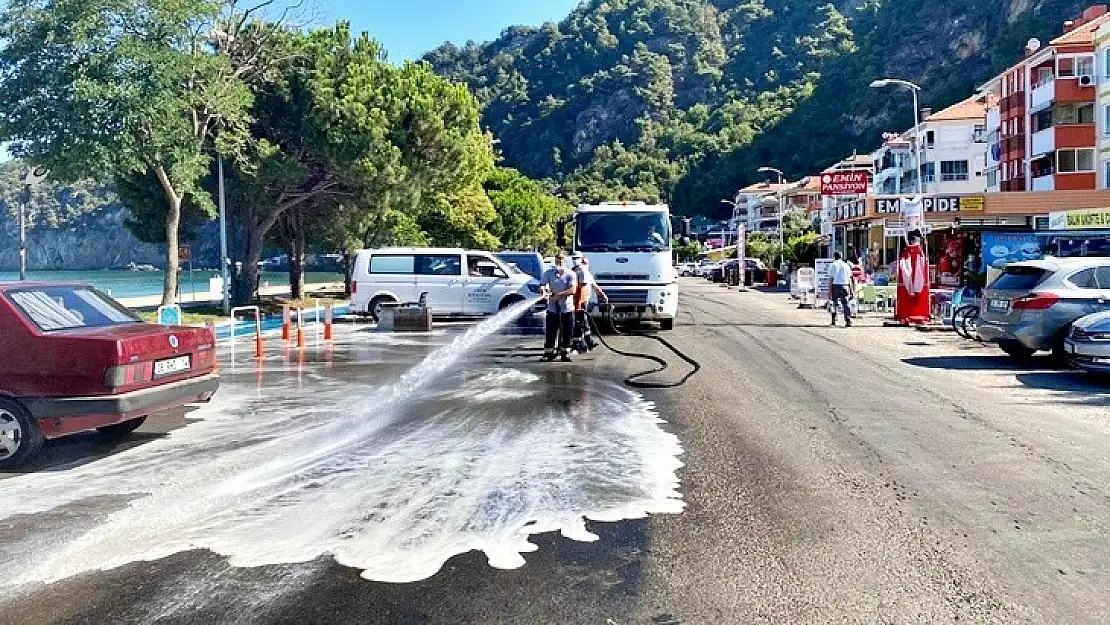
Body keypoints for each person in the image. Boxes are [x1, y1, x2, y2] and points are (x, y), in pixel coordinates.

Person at [539, 253, 578, 362]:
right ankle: (548, 353)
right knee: (551, 331)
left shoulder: (571, 274)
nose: (559, 263)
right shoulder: (548, 273)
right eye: (557, 261)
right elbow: (542, 285)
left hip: (567, 309)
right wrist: (543, 290)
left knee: (567, 332)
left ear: (565, 262)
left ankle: (565, 353)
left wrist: (559, 295)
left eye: (561, 261)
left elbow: (573, 290)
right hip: (552, 309)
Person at [570, 253, 607, 353]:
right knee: (580, 322)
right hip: (576, 301)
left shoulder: (584, 272)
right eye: (574, 258)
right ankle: (583, 343)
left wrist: (603, 295)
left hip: (582, 300)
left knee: (582, 321)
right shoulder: (573, 271)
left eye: (577, 258)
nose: (575, 260)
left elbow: (593, 286)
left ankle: (585, 342)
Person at [828, 251, 856, 327]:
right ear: (841, 257)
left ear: (834, 257)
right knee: (846, 303)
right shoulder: (846, 265)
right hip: (845, 286)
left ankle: (834, 320)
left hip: (835, 285)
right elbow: (850, 279)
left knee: (834, 303)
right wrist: (851, 290)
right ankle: (848, 320)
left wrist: (829, 291)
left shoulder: (832, 265)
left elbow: (831, 279)